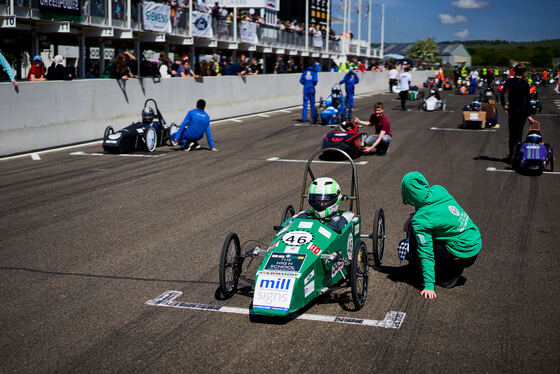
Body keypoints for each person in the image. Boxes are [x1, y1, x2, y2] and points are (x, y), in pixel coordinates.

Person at [401, 171, 482, 299]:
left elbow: (426, 252)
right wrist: (412, 216)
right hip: (474, 241)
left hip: (462, 253)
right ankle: (442, 266)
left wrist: (428, 285)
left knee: (420, 242)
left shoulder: (421, 221)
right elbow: (430, 207)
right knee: (427, 232)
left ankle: (451, 272)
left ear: (408, 196)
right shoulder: (439, 190)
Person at [499, 64, 535, 163]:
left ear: (514, 71)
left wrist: (504, 105)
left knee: (512, 135)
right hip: (522, 111)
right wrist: (528, 114)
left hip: (513, 110)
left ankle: (511, 155)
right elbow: (528, 100)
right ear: (523, 72)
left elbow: (502, 93)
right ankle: (517, 156)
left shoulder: (509, 81)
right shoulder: (525, 83)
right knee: (519, 135)